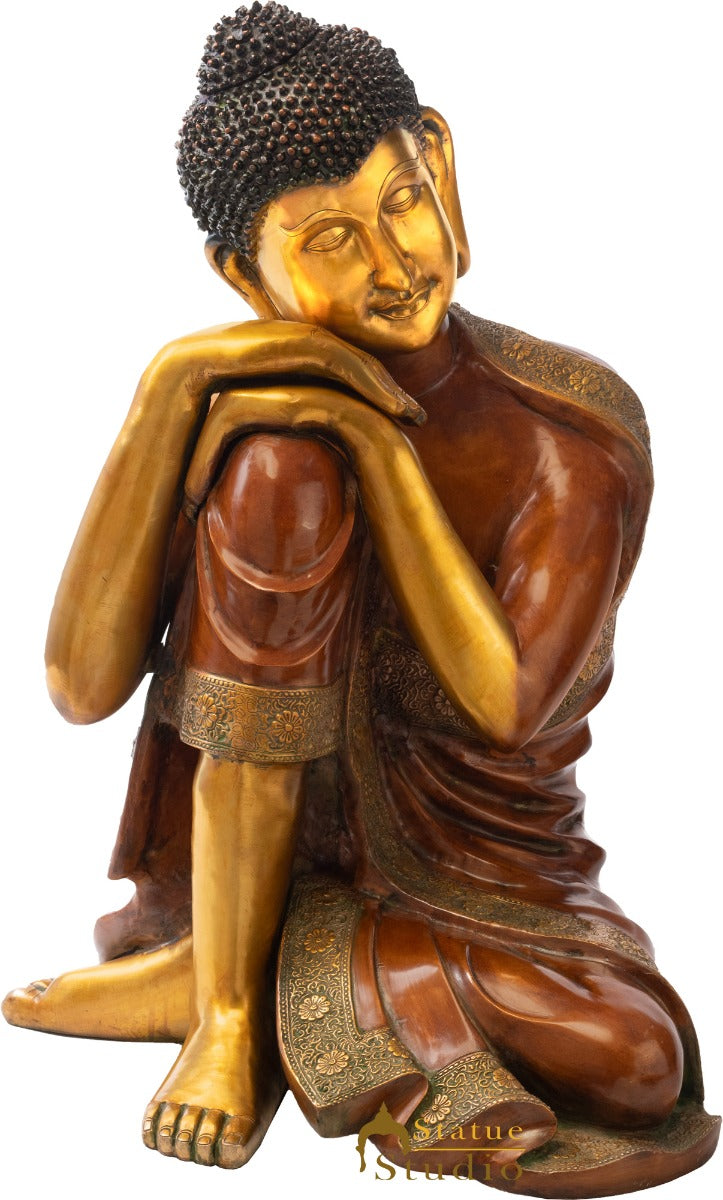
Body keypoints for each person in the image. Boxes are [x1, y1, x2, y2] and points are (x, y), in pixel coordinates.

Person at [3, 3, 719, 1192]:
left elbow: (507, 709)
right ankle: (231, 1016)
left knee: (636, 1061)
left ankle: (234, 966)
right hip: (270, 846)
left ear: (441, 165)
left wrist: (382, 450)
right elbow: (81, 687)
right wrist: (171, 383)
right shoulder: (247, 425)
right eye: (331, 240)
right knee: (278, 472)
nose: (391, 266)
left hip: (496, 887)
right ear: (246, 276)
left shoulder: (567, 435)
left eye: (400, 203)